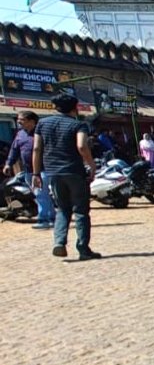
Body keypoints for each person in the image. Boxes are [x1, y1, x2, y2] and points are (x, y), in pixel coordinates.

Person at [31, 94, 100, 260]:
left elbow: (36, 149)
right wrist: (91, 165)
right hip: (74, 171)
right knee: (81, 211)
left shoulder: (42, 124)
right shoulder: (78, 125)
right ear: (75, 108)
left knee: (62, 209)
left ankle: (59, 242)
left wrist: (36, 173)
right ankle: (83, 249)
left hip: (53, 172)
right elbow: (81, 146)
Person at [7, 111, 50, 229]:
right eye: (18, 119)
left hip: (42, 169)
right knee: (41, 195)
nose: (18, 121)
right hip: (28, 171)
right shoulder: (20, 134)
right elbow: (14, 150)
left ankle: (44, 220)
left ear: (31, 121)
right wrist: (8, 164)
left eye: (22, 119)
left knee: (40, 194)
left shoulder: (42, 133)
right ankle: (51, 216)